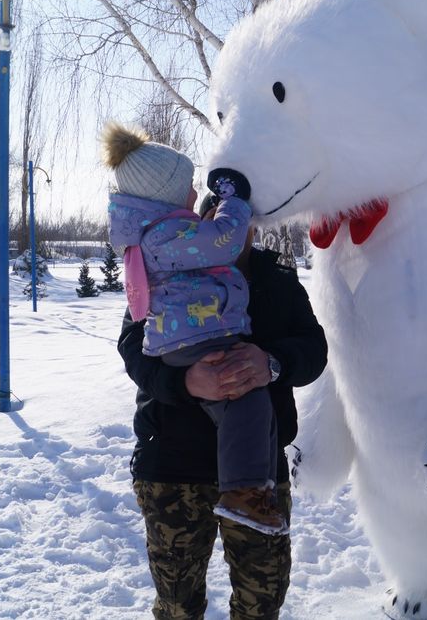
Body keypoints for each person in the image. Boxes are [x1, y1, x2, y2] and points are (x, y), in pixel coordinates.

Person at [117, 186, 328, 620]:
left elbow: (314, 349)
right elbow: (133, 348)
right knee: (177, 604)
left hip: (258, 478)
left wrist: (272, 362)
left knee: (262, 601)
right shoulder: (163, 268)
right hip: (174, 468)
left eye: (240, 219)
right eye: (214, 214)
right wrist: (186, 381)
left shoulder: (277, 279)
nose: (231, 229)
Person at [104, 122, 290, 535]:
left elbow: (311, 350)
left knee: (251, 402)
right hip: (173, 447)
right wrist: (235, 199)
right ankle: (244, 494)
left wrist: (272, 362)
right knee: (247, 400)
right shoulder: (169, 236)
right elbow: (223, 241)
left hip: (191, 338)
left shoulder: (164, 241)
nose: (192, 194)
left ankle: (248, 491)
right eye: (188, 188)